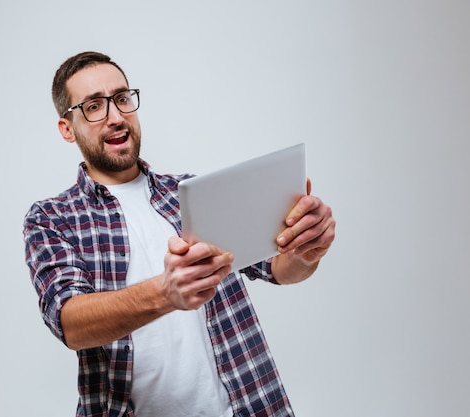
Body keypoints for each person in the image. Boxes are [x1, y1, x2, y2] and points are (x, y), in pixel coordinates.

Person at [23, 51, 336, 417]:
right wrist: (166, 293)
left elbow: (279, 268)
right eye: (94, 106)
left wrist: (306, 249)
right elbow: (69, 322)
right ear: (67, 128)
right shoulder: (52, 219)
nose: (115, 116)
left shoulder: (193, 192)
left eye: (122, 98)